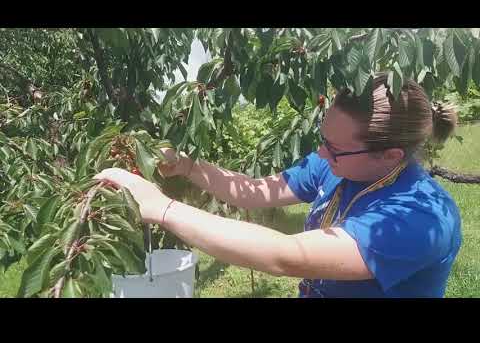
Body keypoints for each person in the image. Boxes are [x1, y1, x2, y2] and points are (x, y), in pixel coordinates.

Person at [95, 74, 462, 298]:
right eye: (322, 137)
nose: (320, 152)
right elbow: (254, 191)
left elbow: (287, 256)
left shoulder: (419, 218)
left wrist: (163, 209)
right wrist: (187, 166)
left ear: (389, 155)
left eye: (333, 148)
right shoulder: (338, 165)